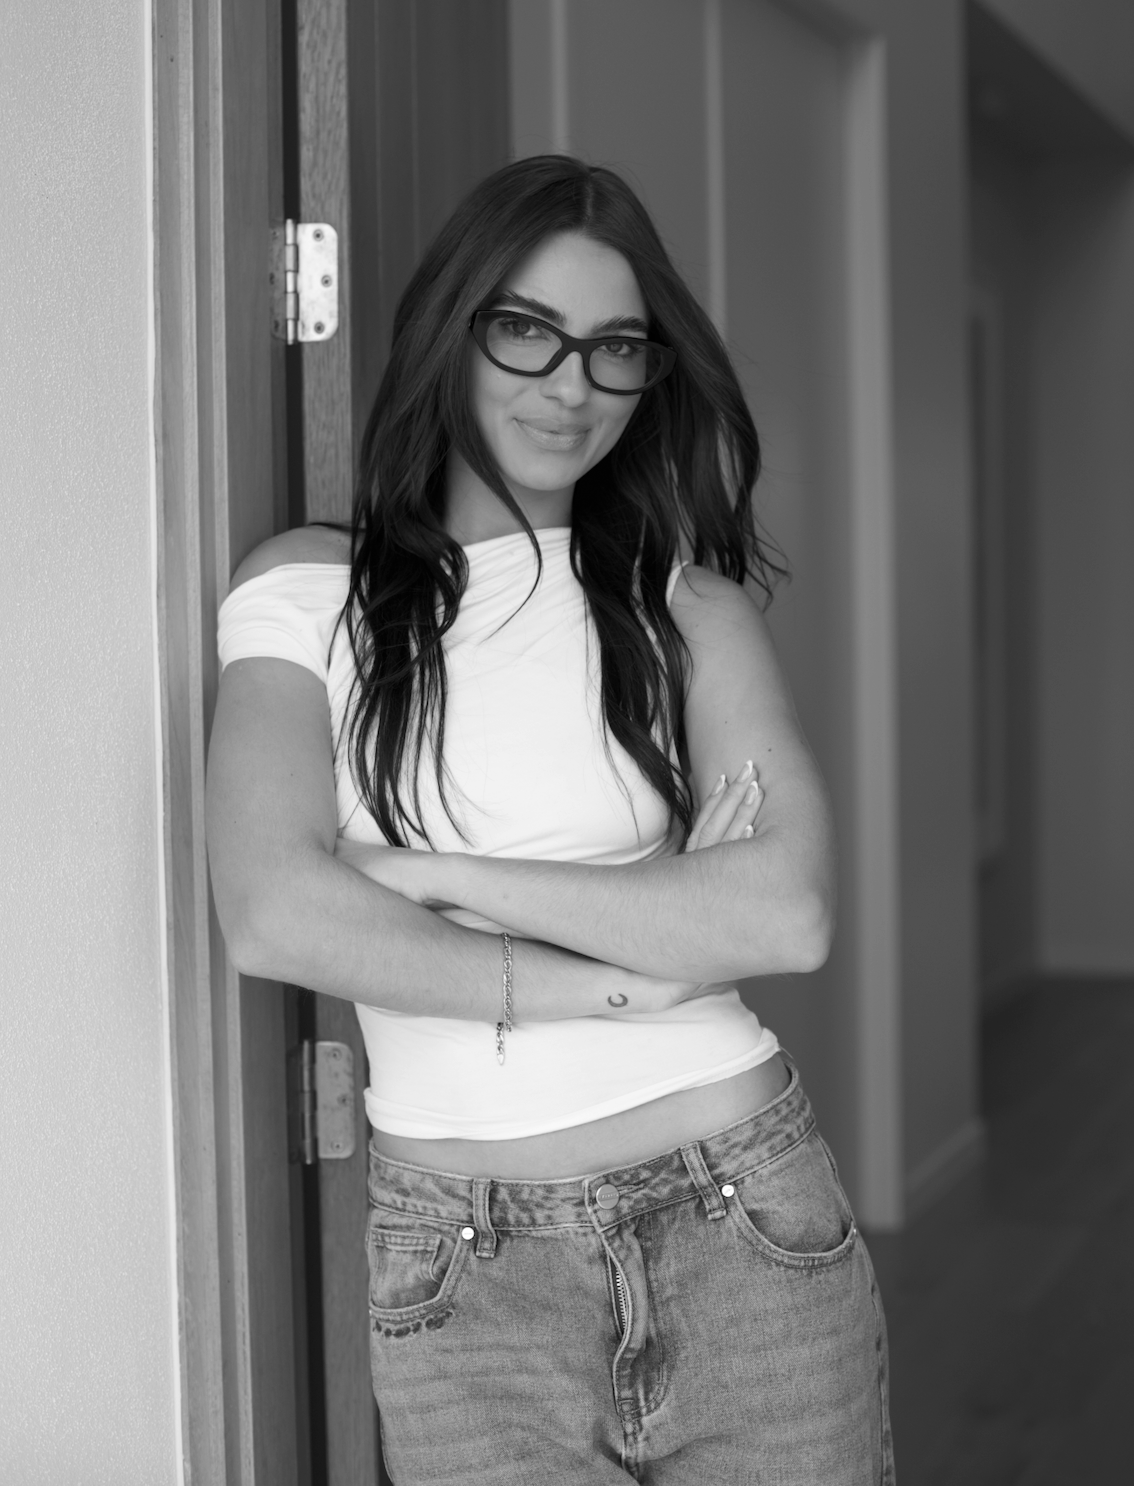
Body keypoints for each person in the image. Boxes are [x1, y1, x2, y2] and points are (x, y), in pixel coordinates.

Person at [206, 155, 893, 1484]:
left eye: (614, 349)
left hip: (741, 1216)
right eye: (526, 331)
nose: (569, 385)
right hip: (461, 1268)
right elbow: (273, 909)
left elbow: (782, 912)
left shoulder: (686, 608)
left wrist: (419, 872)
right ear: (448, 331)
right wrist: (628, 970)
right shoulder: (305, 593)